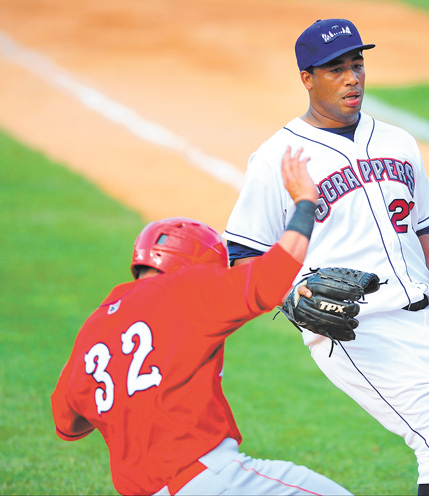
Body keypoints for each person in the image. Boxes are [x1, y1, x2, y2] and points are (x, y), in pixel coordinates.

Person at [223, 18, 429, 496]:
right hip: (359, 333)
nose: (352, 78)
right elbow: (241, 257)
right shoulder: (278, 158)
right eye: (336, 69)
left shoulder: (398, 141)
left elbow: (422, 224)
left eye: (357, 65)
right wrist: (292, 298)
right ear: (307, 78)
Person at [50, 148, 352, 496]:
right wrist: (304, 205)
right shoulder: (185, 289)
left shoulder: (95, 326)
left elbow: (66, 423)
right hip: (208, 479)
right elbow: (272, 276)